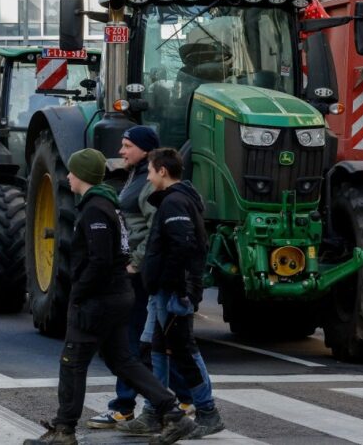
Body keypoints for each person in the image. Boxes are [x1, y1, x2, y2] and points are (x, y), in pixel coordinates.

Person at [24, 149, 197, 445]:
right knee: (123, 361)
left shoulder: (95, 210)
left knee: (72, 362)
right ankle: (173, 413)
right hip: (116, 295)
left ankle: (64, 430)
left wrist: (78, 293)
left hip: (98, 300)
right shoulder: (106, 205)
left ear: (82, 175)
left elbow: (101, 260)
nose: (68, 176)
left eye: (72, 171)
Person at [139, 147, 224, 440]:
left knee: (184, 350)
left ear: (163, 171)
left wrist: (177, 290)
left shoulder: (174, 203)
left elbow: (182, 247)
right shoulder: (178, 200)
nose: (148, 178)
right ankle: (155, 411)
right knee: (160, 350)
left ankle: (208, 412)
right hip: (170, 290)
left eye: (150, 171)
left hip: (173, 293)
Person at [87, 126, 159, 429]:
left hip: (139, 274)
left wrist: (136, 263)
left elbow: (156, 229)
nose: (121, 151)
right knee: (141, 341)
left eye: (127, 145)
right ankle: (175, 400)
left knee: (132, 342)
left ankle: (127, 405)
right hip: (135, 270)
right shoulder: (135, 174)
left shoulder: (149, 181)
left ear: (144, 149)